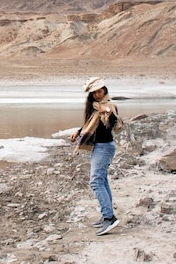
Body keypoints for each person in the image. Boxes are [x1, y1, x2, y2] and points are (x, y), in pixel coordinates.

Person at [70, 77, 122, 236]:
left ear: (105, 90)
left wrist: (107, 113)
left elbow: (112, 123)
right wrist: (79, 132)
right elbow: (90, 124)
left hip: (105, 147)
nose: (98, 95)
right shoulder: (95, 108)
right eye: (95, 93)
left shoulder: (109, 106)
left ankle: (109, 217)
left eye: (100, 92)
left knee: (96, 181)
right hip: (99, 147)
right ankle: (106, 215)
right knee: (103, 180)